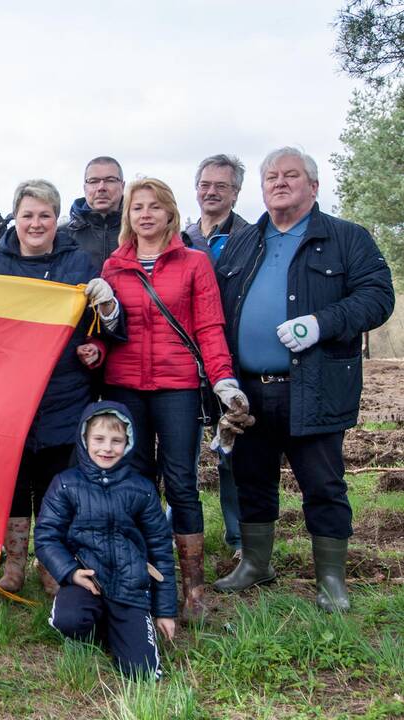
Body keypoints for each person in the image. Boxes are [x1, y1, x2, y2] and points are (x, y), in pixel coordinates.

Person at [213, 147, 394, 612]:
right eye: (271, 176)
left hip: (312, 385)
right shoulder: (243, 241)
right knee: (251, 478)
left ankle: (331, 578)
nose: (279, 182)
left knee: (323, 484)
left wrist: (322, 322)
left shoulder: (347, 238)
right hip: (249, 390)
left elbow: (378, 298)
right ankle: (256, 563)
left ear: (313, 186)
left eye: (291, 175)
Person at [101, 177, 248, 623]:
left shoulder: (194, 263)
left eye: (153, 206)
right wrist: (104, 315)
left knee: (181, 482)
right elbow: (107, 334)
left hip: (177, 386)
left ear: (170, 213)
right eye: (136, 207)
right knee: (138, 482)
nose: (144, 214)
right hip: (125, 385)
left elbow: (208, 327)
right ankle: (147, 579)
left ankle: (194, 590)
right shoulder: (112, 266)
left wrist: (223, 379)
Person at [0, 179, 122, 594]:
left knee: (56, 483)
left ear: (56, 219)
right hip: (10, 395)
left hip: (64, 391)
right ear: (15, 218)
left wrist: (94, 347)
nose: (36, 223)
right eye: (28, 215)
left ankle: (50, 562)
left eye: (44, 215)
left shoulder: (79, 264)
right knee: (14, 480)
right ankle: (14, 563)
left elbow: (98, 328)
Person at [35, 402, 177, 680]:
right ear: (84, 439)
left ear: (128, 443)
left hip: (130, 586)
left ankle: (126, 627)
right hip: (88, 580)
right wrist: (70, 572)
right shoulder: (65, 483)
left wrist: (165, 611)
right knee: (70, 620)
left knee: (143, 674)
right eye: (98, 439)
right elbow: (46, 536)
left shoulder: (142, 489)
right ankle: (94, 627)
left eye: (116, 441)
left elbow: (161, 549)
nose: (107, 448)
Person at [184, 154, 251, 559]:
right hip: (188, 360)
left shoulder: (249, 237)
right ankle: (181, 531)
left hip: (233, 356)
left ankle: (240, 538)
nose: (211, 192)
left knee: (232, 453)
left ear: (236, 192)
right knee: (182, 453)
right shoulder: (182, 236)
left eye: (221, 186)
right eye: (205, 185)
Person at [62, 157, 126, 276]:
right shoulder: (62, 235)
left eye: (110, 180)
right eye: (93, 181)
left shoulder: (139, 232)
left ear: (122, 186)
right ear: (85, 188)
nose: (101, 187)